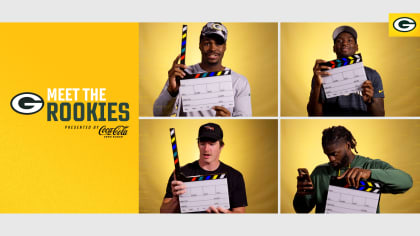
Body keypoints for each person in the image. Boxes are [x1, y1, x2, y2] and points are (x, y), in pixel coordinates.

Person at [293, 126, 412, 213]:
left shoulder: (370, 166)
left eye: (334, 154)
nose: (331, 159)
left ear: (348, 146)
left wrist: (370, 173)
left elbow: (407, 182)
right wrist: (301, 195)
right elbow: (301, 210)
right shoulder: (319, 172)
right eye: (327, 154)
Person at [153, 22, 252, 117]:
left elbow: (244, 116)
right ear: (200, 45)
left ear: (225, 47)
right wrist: (171, 92)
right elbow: (158, 113)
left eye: (218, 44)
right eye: (207, 43)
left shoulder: (239, 82)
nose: (213, 48)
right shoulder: (181, 75)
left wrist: (229, 118)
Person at [160, 123, 247, 213]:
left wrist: (226, 214)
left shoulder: (235, 176)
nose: (206, 149)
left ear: (221, 146)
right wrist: (175, 199)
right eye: (202, 143)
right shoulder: (181, 173)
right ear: (198, 145)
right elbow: (163, 212)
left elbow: (239, 213)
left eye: (211, 144)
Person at [307, 25, 385, 116]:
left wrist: (369, 102)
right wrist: (317, 86)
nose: (344, 43)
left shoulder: (373, 75)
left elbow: (380, 115)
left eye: (349, 40)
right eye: (339, 41)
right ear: (334, 48)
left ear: (356, 47)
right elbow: (313, 115)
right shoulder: (320, 75)